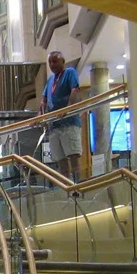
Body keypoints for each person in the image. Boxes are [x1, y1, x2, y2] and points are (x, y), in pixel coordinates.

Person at [39, 50, 88, 180]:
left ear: (63, 61)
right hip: (54, 126)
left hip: (69, 123)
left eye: (55, 61)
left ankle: (77, 186)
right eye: (50, 62)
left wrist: (67, 108)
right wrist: (40, 117)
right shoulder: (50, 80)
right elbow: (43, 100)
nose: (52, 64)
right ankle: (66, 187)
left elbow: (75, 90)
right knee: (61, 160)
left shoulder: (70, 72)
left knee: (73, 156)